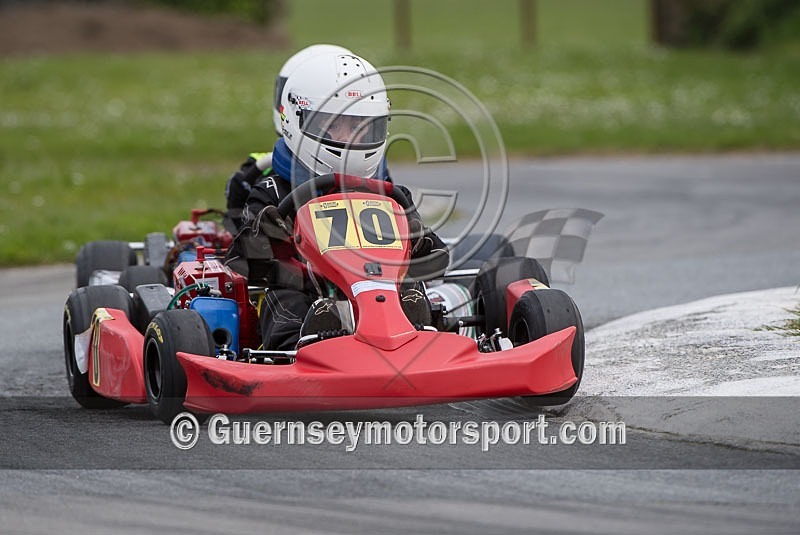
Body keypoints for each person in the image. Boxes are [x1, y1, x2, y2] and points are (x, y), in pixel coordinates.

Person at [224, 51, 449, 350]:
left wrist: (416, 243)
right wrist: (274, 229)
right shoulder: (273, 191)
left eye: (361, 126)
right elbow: (243, 261)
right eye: (334, 125)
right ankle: (299, 346)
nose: (350, 137)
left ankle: (417, 329)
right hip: (310, 295)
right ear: (297, 119)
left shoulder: (389, 194)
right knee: (285, 296)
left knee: (408, 286)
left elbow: (436, 259)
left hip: (379, 290)